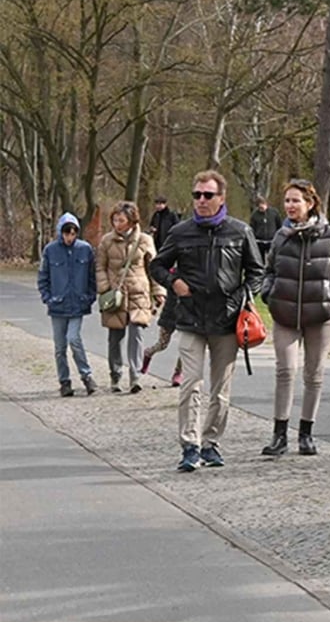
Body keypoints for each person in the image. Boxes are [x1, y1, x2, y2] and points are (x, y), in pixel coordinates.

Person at [149, 170, 266, 473]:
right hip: (190, 318)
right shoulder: (181, 232)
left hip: (227, 320)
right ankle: (189, 446)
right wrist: (173, 282)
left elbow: (257, 271)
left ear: (221, 198)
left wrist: (244, 296)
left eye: (208, 195)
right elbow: (157, 265)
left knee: (221, 388)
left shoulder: (239, 232)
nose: (201, 200)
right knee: (190, 384)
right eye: (197, 195)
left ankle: (210, 443)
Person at [260, 178, 330, 457]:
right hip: (285, 313)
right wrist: (269, 293)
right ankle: (279, 435)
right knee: (285, 371)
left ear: (310, 203)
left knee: (314, 374)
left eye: (295, 200)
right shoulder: (280, 236)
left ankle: (306, 434)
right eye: (287, 200)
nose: (290, 205)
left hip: (320, 315)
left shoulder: (329, 235)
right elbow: (269, 270)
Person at [96, 201, 165, 394]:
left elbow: (154, 268)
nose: (117, 223)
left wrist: (158, 291)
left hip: (138, 293)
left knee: (137, 334)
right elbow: (100, 266)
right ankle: (115, 375)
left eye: (121, 220)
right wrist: (104, 288)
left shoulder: (144, 240)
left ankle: (135, 375)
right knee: (115, 337)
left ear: (131, 221)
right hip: (115, 295)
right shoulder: (106, 241)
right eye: (115, 219)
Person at [38, 213, 98, 397]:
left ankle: (86, 375)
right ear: (60, 232)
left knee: (74, 338)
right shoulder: (50, 250)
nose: (69, 237)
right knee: (59, 347)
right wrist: (47, 297)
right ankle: (64, 381)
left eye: (73, 233)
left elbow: (91, 276)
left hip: (78, 304)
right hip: (58, 304)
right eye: (66, 233)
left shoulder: (85, 249)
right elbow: (43, 277)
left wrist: (89, 296)